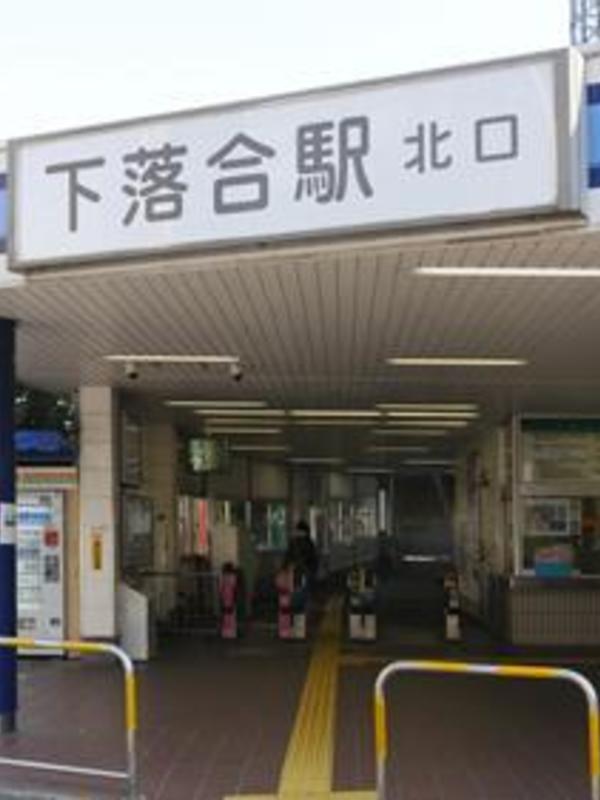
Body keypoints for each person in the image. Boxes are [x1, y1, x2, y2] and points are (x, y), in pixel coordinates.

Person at [283, 520, 319, 587]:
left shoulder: (306, 543)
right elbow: (288, 557)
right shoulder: (297, 543)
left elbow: (309, 558)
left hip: (303, 572)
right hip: (300, 572)